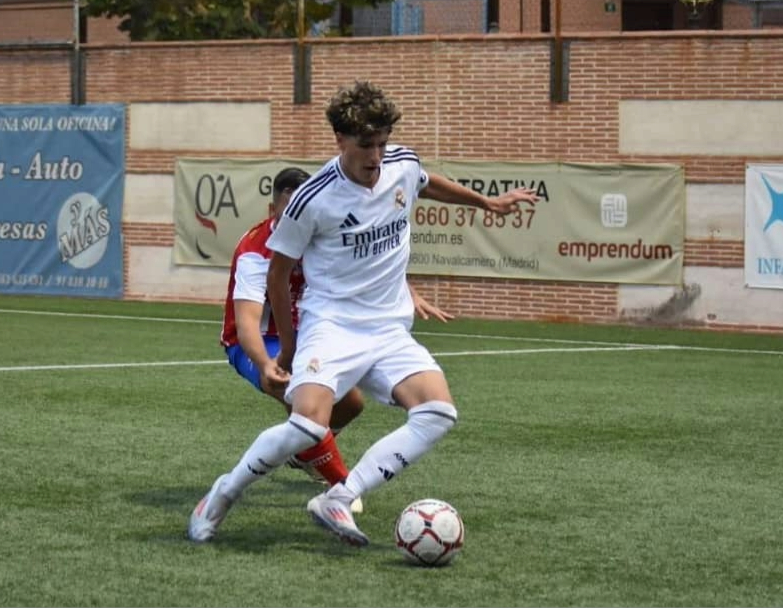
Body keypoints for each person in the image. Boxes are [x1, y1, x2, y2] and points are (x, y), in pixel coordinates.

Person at [189, 80, 534, 547]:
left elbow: (427, 182)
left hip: (389, 329)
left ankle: (340, 496)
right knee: (308, 425)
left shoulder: (401, 165)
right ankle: (220, 496)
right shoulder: (313, 199)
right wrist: (288, 349)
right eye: (366, 145)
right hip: (331, 327)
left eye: (382, 143)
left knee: (437, 412)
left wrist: (487, 203)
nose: (376, 156)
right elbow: (277, 277)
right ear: (340, 141)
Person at [203, 167, 453, 538]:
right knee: (300, 405)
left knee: (351, 405)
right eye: (285, 213)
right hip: (258, 342)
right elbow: (247, 323)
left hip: (312, 333)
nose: (294, 222)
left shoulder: (321, 227)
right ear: (273, 209)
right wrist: (267, 363)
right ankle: (334, 481)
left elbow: (369, 259)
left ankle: (303, 451)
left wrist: (409, 291)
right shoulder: (256, 252)